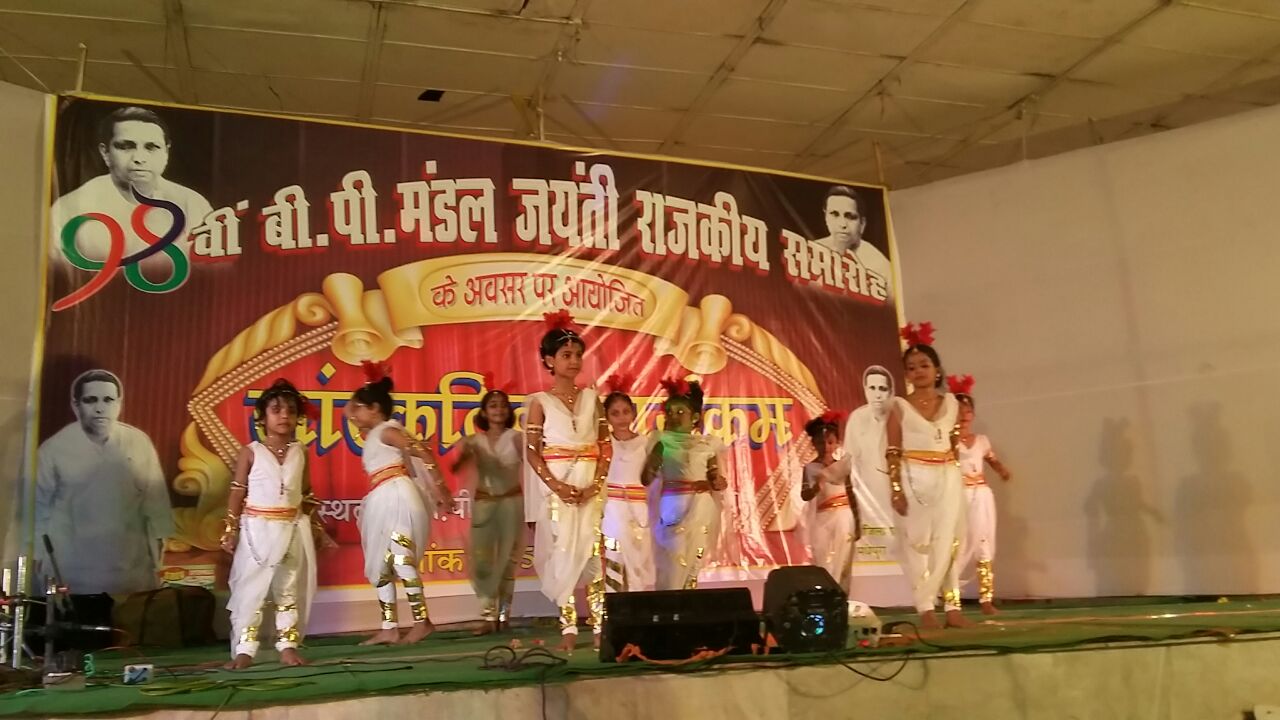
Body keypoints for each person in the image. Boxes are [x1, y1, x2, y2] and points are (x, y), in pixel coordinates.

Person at [35, 369, 173, 595]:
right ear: (76, 404)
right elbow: (38, 512)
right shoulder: (53, 450)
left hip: (131, 574)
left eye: (108, 400)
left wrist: (157, 563)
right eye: (91, 400)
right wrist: (39, 564)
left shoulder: (138, 442)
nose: (100, 408)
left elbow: (157, 507)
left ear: (119, 404)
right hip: (71, 575)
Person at [344, 363, 453, 645]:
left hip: (397, 496)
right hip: (382, 496)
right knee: (381, 566)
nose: (353, 414)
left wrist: (441, 489)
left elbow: (420, 449)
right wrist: (370, 385)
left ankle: (422, 621)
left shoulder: (386, 430)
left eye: (360, 407)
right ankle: (389, 627)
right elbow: (346, 411)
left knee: (401, 558)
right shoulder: (374, 433)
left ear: (376, 409)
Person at [523, 311, 611, 653]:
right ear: (549, 360)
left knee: (593, 556)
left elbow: (605, 446)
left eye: (577, 355)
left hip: (590, 487)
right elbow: (532, 453)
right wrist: (557, 487)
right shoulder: (540, 403)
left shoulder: (592, 399)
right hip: (558, 489)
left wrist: (596, 484)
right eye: (566, 355)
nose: (574, 361)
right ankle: (569, 627)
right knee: (563, 556)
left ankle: (601, 627)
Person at [221, 379, 324, 669]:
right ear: (262, 417)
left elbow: (306, 495)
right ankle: (245, 650)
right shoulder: (251, 451)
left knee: (287, 590)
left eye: (291, 411)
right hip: (257, 530)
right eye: (276, 410)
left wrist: (317, 529)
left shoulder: (300, 452)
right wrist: (231, 530)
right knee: (250, 592)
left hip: (292, 529)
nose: (284, 416)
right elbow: (237, 491)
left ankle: (288, 646)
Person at [50, 106, 212, 271]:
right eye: (126, 146)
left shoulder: (193, 203)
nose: (139, 158)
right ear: (105, 152)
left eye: (151, 147)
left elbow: (213, 275)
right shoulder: (69, 208)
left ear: (166, 152)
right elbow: (57, 276)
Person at [886, 322, 969, 630]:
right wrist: (896, 489)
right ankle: (925, 608)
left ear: (937, 370)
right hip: (912, 478)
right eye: (911, 367)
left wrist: (957, 482)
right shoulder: (899, 406)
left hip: (947, 477)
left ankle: (953, 608)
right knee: (916, 544)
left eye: (924, 365)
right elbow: (892, 449)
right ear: (906, 375)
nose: (918, 371)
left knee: (948, 542)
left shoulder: (952, 403)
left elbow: (954, 445)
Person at [453, 381, 524, 635]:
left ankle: (503, 616)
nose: (499, 409)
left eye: (503, 405)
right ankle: (487, 616)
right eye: (493, 405)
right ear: (483, 412)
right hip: (484, 505)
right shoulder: (474, 441)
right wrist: (465, 455)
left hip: (511, 504)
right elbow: (456, 469)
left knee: (507, 561)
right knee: (482, 561)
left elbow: (533, 463)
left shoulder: (517, 438)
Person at [646, 378, 726, 591]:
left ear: (696, 418)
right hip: (672, 507)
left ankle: (687, 611)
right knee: (673, 562)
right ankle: (668, 608)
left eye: (680, 412)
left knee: (693, 564)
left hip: (701, 508)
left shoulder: (707, 445)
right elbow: (646, 479)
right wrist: (652, 462)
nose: (673, 417)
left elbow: (716, 478)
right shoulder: (661, 442)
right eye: (669, 413)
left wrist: (718, 482)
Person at [950, 375, 1013, 615]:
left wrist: (1003, 471)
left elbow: (993, 461)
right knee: (958, 546)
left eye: (968, 411)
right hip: (959, 498)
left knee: (984, 543)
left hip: (982, 497)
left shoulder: (982, 441)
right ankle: (951, 600)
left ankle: (986, 599)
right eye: (959, 411)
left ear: (973, 415)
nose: (964, 416)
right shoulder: (948, 441)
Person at [600, 374, 656, 593]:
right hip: (612, 508)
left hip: (639, 510)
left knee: (639, 559)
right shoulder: (603, 444)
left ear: (633, 412)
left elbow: (652, 478)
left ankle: (638, 606)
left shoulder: (647, 443)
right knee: (614, 557)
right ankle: (614, 608)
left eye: (625, 411)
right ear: (606, 417)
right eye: (615, 413)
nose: (621, 418)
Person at [801, 411, 860, 591]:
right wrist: (816, 487)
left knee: (843, 560)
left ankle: (840, 597)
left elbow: (851, 494)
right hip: (823, 517)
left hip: (844, 516)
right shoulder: (810, 468)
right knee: (823, 558)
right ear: (813, 444)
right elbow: (804, 495)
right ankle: (825, 595)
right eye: (820, 442)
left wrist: (857, 522)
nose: (825, 446)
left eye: (830, 442)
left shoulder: (843, 465)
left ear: (837, 443)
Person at [813, 185, 892, 295]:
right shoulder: (810, 253)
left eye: (850, 217)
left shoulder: (880, 265)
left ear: (862, 224)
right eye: (834, 214)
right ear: (826, 217)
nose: (842, 224)